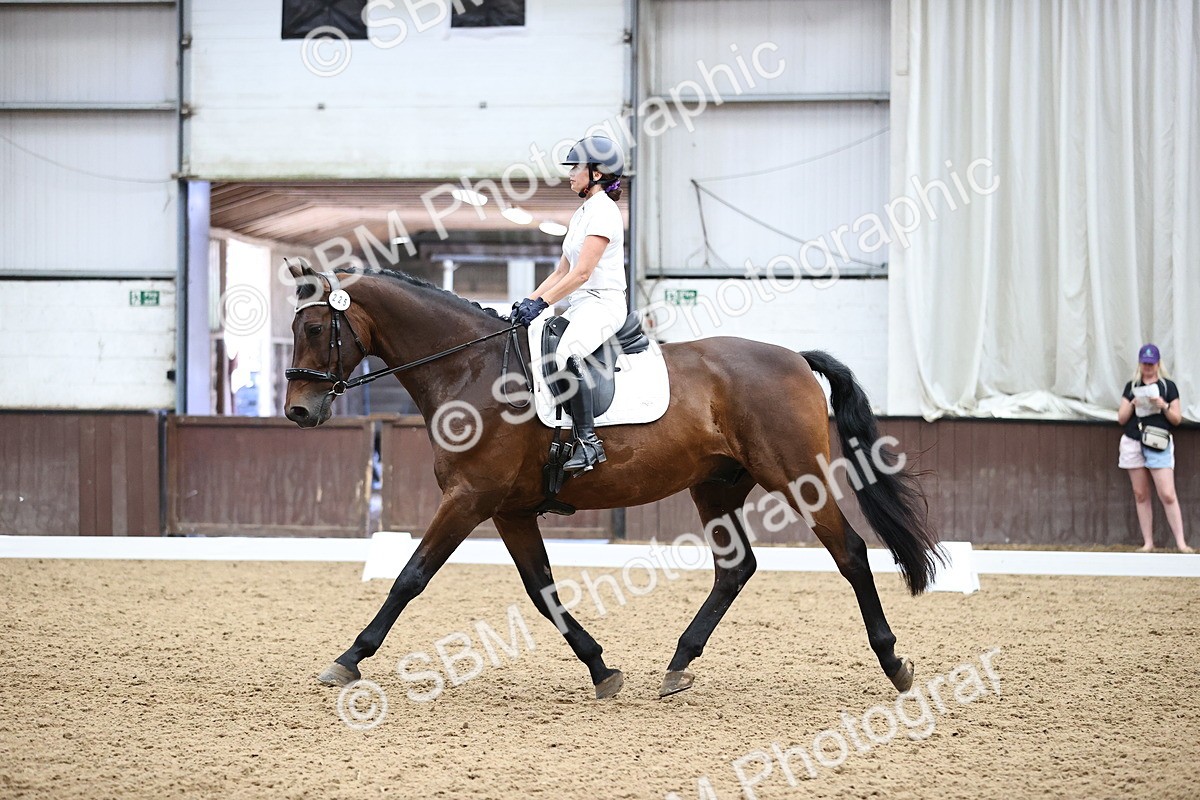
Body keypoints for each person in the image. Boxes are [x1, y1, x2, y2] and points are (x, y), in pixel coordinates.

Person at [510, 135, 627, 473]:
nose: (571, 173)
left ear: (598, 173)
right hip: (579, 304)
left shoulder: (604, 212)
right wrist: (528, 303)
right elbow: (561, 270)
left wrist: (544, 303)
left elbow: (582, 273)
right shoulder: (582, 214)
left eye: (577, 167)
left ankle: (588, 441)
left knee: (565, 354)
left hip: (603, 304)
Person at [1116, 343, 1193, 552]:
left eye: (1151, 364)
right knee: (1140, 493)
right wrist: (1133, 403)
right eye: (1145, 363)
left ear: (1158, 364)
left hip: (1158, 442)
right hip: (1134, 439)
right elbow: (1121, 418)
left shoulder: (1168, 387)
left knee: (1167, 493)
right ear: (1140, 364)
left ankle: (1181, 542)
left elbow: (1176, 419)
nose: (1148, 367)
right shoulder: (1131, 386)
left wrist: (1163, 405)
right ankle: (1148, 542)